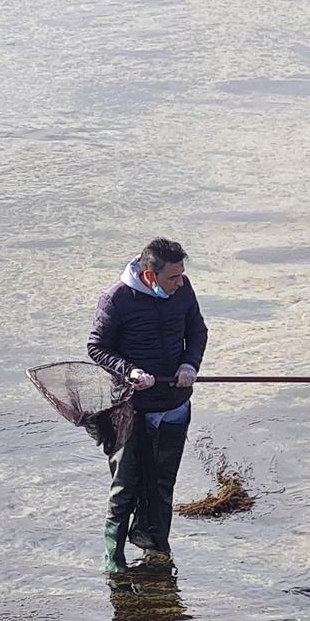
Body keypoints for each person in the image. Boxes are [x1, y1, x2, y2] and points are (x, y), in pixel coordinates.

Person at [87, 237, 207, 572]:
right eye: (173, 277)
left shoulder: (183, 290)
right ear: (150, 276)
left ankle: (157, 548)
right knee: (125, 485)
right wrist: (130, 371)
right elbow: (97, 347)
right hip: (131, 410)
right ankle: (113, 556)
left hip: (175, 404)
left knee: (162, 484)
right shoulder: (117, 299)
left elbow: (197, 332)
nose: (180, 282)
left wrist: (189, 365)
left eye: (182, 275)